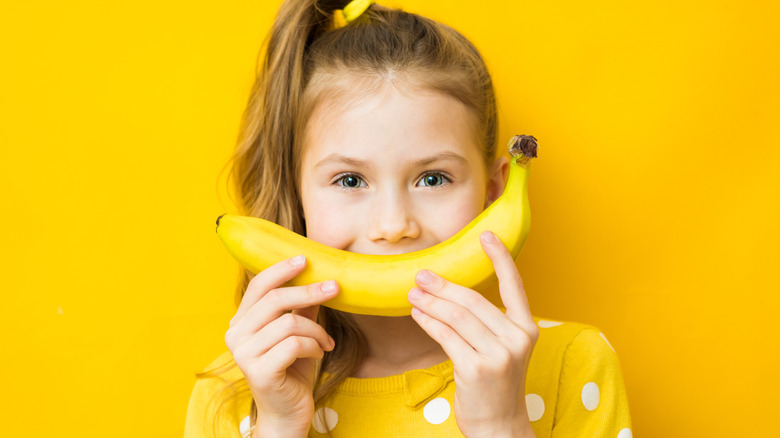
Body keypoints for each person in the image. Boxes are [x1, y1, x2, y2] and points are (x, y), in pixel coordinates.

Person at [184, 0, 633, 437]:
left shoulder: (571, 364)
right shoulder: (237, 394)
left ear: (493, 195)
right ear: (297, 194)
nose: (394, 224)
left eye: (433, 178)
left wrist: (502, 427)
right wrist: (279, 427)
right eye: (350, 180)